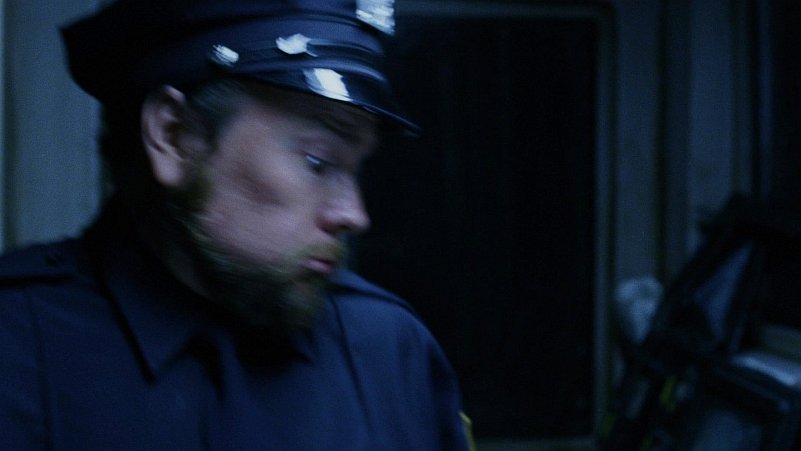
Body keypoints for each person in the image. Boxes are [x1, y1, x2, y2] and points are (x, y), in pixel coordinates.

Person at [0, 0, 473, 449]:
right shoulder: (19, 345)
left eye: (356, 168)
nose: (354, 214)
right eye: (318, 161)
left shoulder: (388, 349)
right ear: (175, 136)